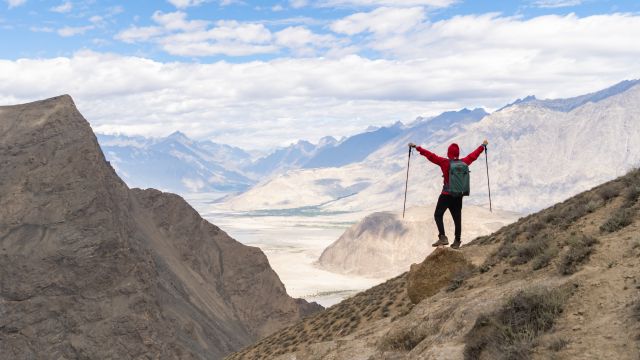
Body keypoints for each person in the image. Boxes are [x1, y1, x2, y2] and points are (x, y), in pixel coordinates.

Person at [408, 140, 488, 249]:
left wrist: (417, 148)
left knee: (438, 215)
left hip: (446, 195)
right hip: (458, 195)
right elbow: (474, 155)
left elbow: (431, 156)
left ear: (449, 153)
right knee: (457, 218)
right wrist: (482, 146)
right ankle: (457, 240)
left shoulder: (444, 162)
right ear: (458, 153)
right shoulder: (465, 162)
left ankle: (443, 237)